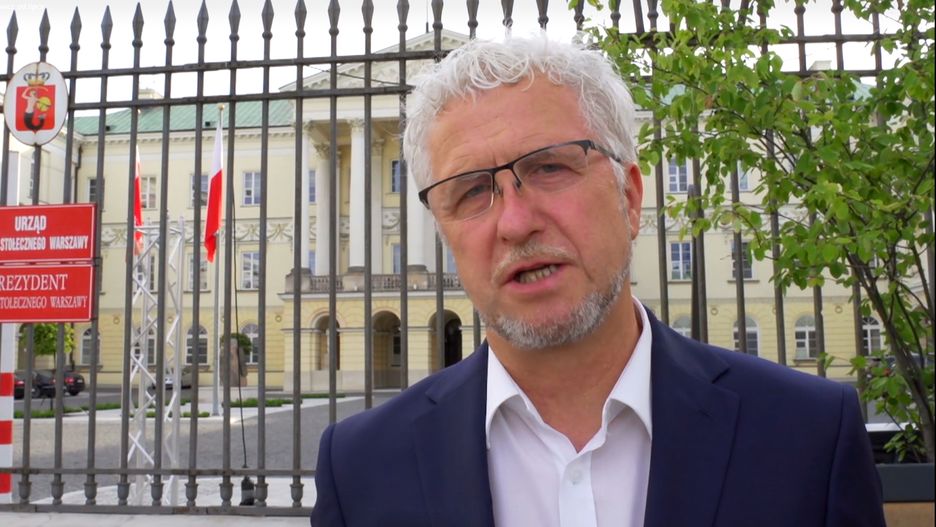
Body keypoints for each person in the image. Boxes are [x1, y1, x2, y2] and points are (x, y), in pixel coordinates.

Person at [310, 36, 885, 527]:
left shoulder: (808, 436)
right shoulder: (360, 470)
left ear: (629, 198)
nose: (515, 223)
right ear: (443, 230)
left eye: (549, 167)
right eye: (472, 190)